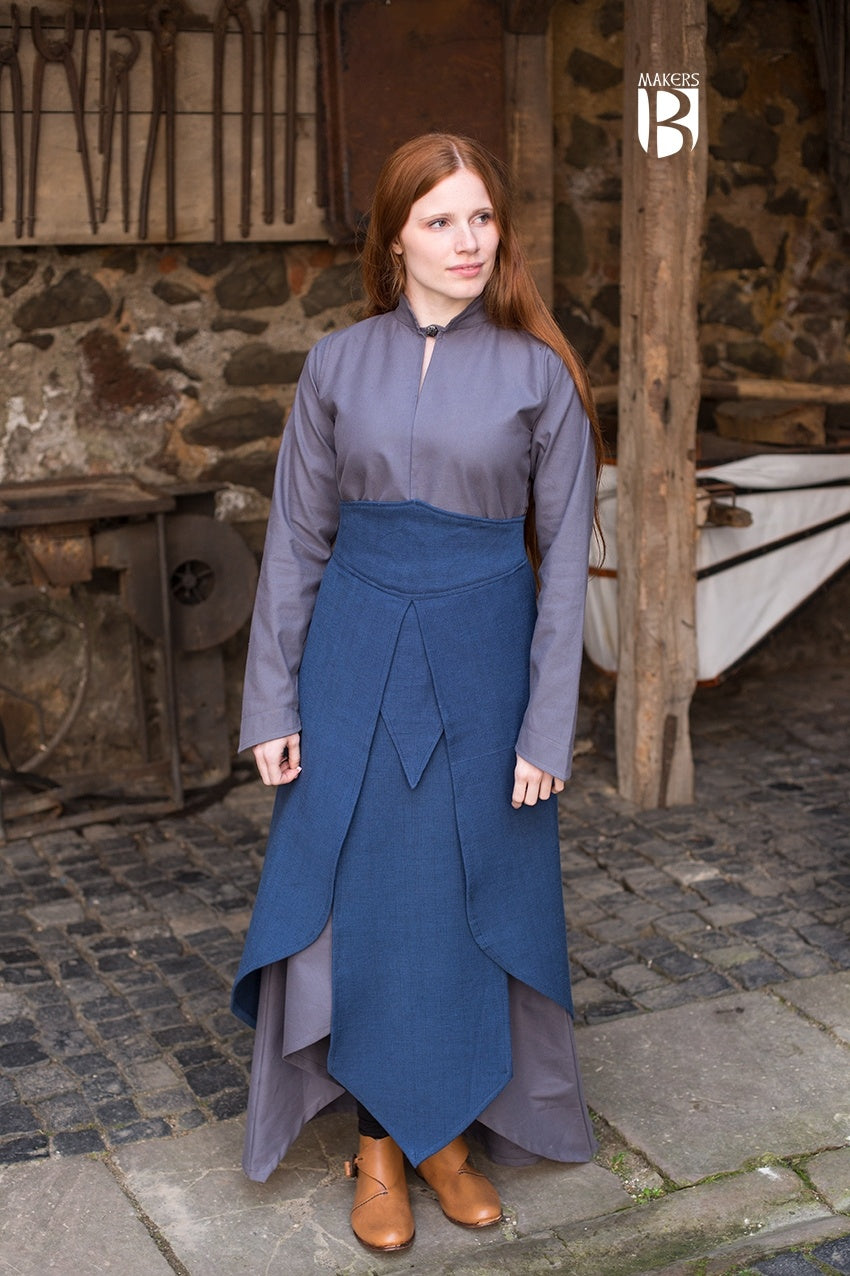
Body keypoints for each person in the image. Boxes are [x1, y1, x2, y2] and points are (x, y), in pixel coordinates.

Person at [231, 132, 604, 1253]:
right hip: (351, 658)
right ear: (395, 238)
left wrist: (547, 724)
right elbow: (296, 541)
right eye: (441, 220)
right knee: (362, 899)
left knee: (461, 896)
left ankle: (448, 1137)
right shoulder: (336, 365)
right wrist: (272, 701)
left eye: (481, 218)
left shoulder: (540, 375)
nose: (467, 241)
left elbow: (564, 566)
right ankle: (382, 1147)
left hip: (486, 665)